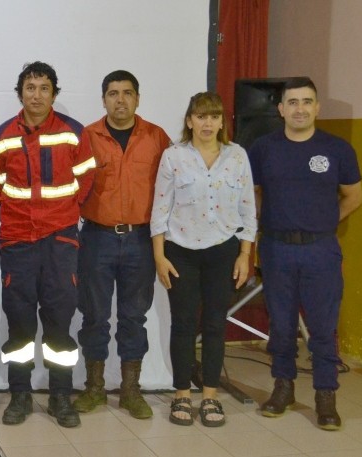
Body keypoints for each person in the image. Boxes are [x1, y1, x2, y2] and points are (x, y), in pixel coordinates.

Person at [249, 77, 362, 431]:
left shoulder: (338, 149)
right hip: (277, 248)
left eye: (307, 101)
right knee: (281, 326)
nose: (300, 108)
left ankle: (325, 396)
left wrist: (324, 222)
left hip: (321, 250)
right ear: (280, 109)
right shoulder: (263, 148)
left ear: (317, 107)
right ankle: (282, 389)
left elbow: (354, 196)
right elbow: (253, 193)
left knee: (323, 329)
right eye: (292, 102)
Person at [0, 61, 96, 428]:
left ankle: (61, 398)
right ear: (21, 93)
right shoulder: (1, 137)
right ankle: (20, 397)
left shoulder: (73, 134)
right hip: (17, 242)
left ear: (54, 93)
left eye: (44, 87)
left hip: (60, 241)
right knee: (19, 324)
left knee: (59, 322)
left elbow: (87, 181)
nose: (37, 94)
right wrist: (23, 215)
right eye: (30, 87)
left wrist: (60, 215)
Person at [150, 92, 257, 427]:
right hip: (180, 251)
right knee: (182, 325)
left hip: (223, 250)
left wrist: (244, 254)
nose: (207, 123)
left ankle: (210, 397)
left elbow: (248, 209)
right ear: (189, 121)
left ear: (222, 122)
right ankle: (182, 394)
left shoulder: (237, 156)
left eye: (214, 117)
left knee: (214, 325)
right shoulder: (173, 157)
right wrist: (159, 256)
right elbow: (160, 210)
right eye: (201, 116)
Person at [74, 70, 171, 419]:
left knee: (133, 317)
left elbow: (172, 187)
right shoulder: (87, 137)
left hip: (141, 241)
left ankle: (131, 390)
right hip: (97, 238)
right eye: (113, 93)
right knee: (94, 316)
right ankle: (94, 388)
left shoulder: (157, 137)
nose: (120, 100)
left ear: (138, 98)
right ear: (103, 100)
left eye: (127, 93)